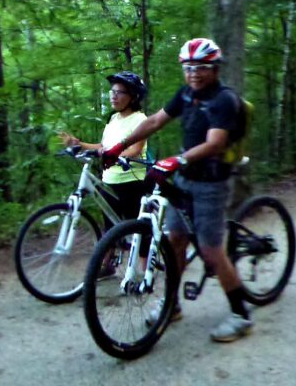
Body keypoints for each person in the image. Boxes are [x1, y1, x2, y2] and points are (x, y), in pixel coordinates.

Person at [101, 38, 255, 342]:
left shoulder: (224, 100)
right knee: (175, 242)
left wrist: (177, 159)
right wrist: (119, 146)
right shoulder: (186, 94)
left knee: (211, 250)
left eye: (201, 67)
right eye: (188, 67)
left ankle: (241, 315)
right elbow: (156, 121)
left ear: (215, 68)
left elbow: (215, 143)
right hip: (184, 179)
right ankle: (171, 305)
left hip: (212, 183)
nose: (194, 73)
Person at [58, 71, 154, 220]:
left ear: (133, 97)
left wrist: (111, 155)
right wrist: (79, 144)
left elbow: (135, 150)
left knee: (134, 228)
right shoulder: (113, 118)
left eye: (119, 92)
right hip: (108, 182)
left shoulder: (140, 119)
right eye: (112, 92)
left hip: (131, 182)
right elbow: (103, 146)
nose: (113, 96)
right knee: (111, 229)